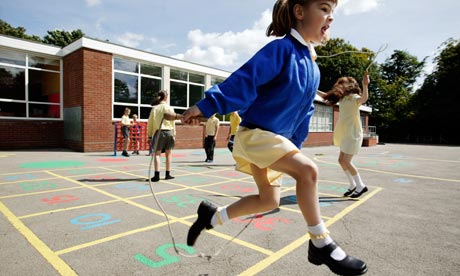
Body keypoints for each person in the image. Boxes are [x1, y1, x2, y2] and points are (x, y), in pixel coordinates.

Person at [181, 1, 367, 275]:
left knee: (269, 201)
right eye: (325, 8)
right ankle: (321, 243)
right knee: (308, 171)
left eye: (333, 12)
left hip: (275, 140)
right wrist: (207, 106)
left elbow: (304, 113)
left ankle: (212, 215)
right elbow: (246, 79)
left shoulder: (313, 69)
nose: (331, 18)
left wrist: (295, 148)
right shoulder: (281, 49)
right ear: (300, 12)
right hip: (256, 135)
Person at [317, 73, 370, 198]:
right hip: (346, 133)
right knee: (341, 161)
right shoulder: (342, 98)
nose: (340, 86)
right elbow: (325, 96)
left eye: (343, 84)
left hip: (354, 134)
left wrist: (365, 85)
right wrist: (313, 88)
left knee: (347, 161)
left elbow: (364, 99)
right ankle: (352, 185)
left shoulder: (354, 97)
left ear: (350, 86)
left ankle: (361, 185)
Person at [147, 90, 180, 181]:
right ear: (166, 97)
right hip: (170, 132)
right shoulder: (170, 108)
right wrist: (174, 134)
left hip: (159, 132)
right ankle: (167, 174)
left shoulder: (155, 109)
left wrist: (149, 136)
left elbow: (150, 123)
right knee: (168, 154)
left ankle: (157, 175)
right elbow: (173, 123)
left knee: (157, 154)